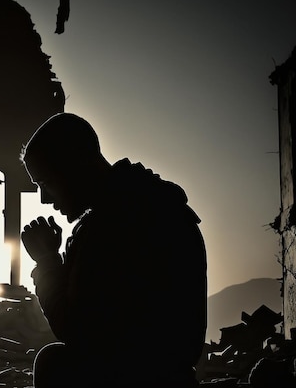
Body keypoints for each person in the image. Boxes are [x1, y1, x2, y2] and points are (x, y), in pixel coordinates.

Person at [20, 112, 207, 387]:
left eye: (46, 183)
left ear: (74, 165)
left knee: (53, 363)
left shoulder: (117, 225)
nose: (44, 198)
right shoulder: (155, 205)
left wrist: (48, 262)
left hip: (136, 377)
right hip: (171, 375)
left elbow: (77, 331)